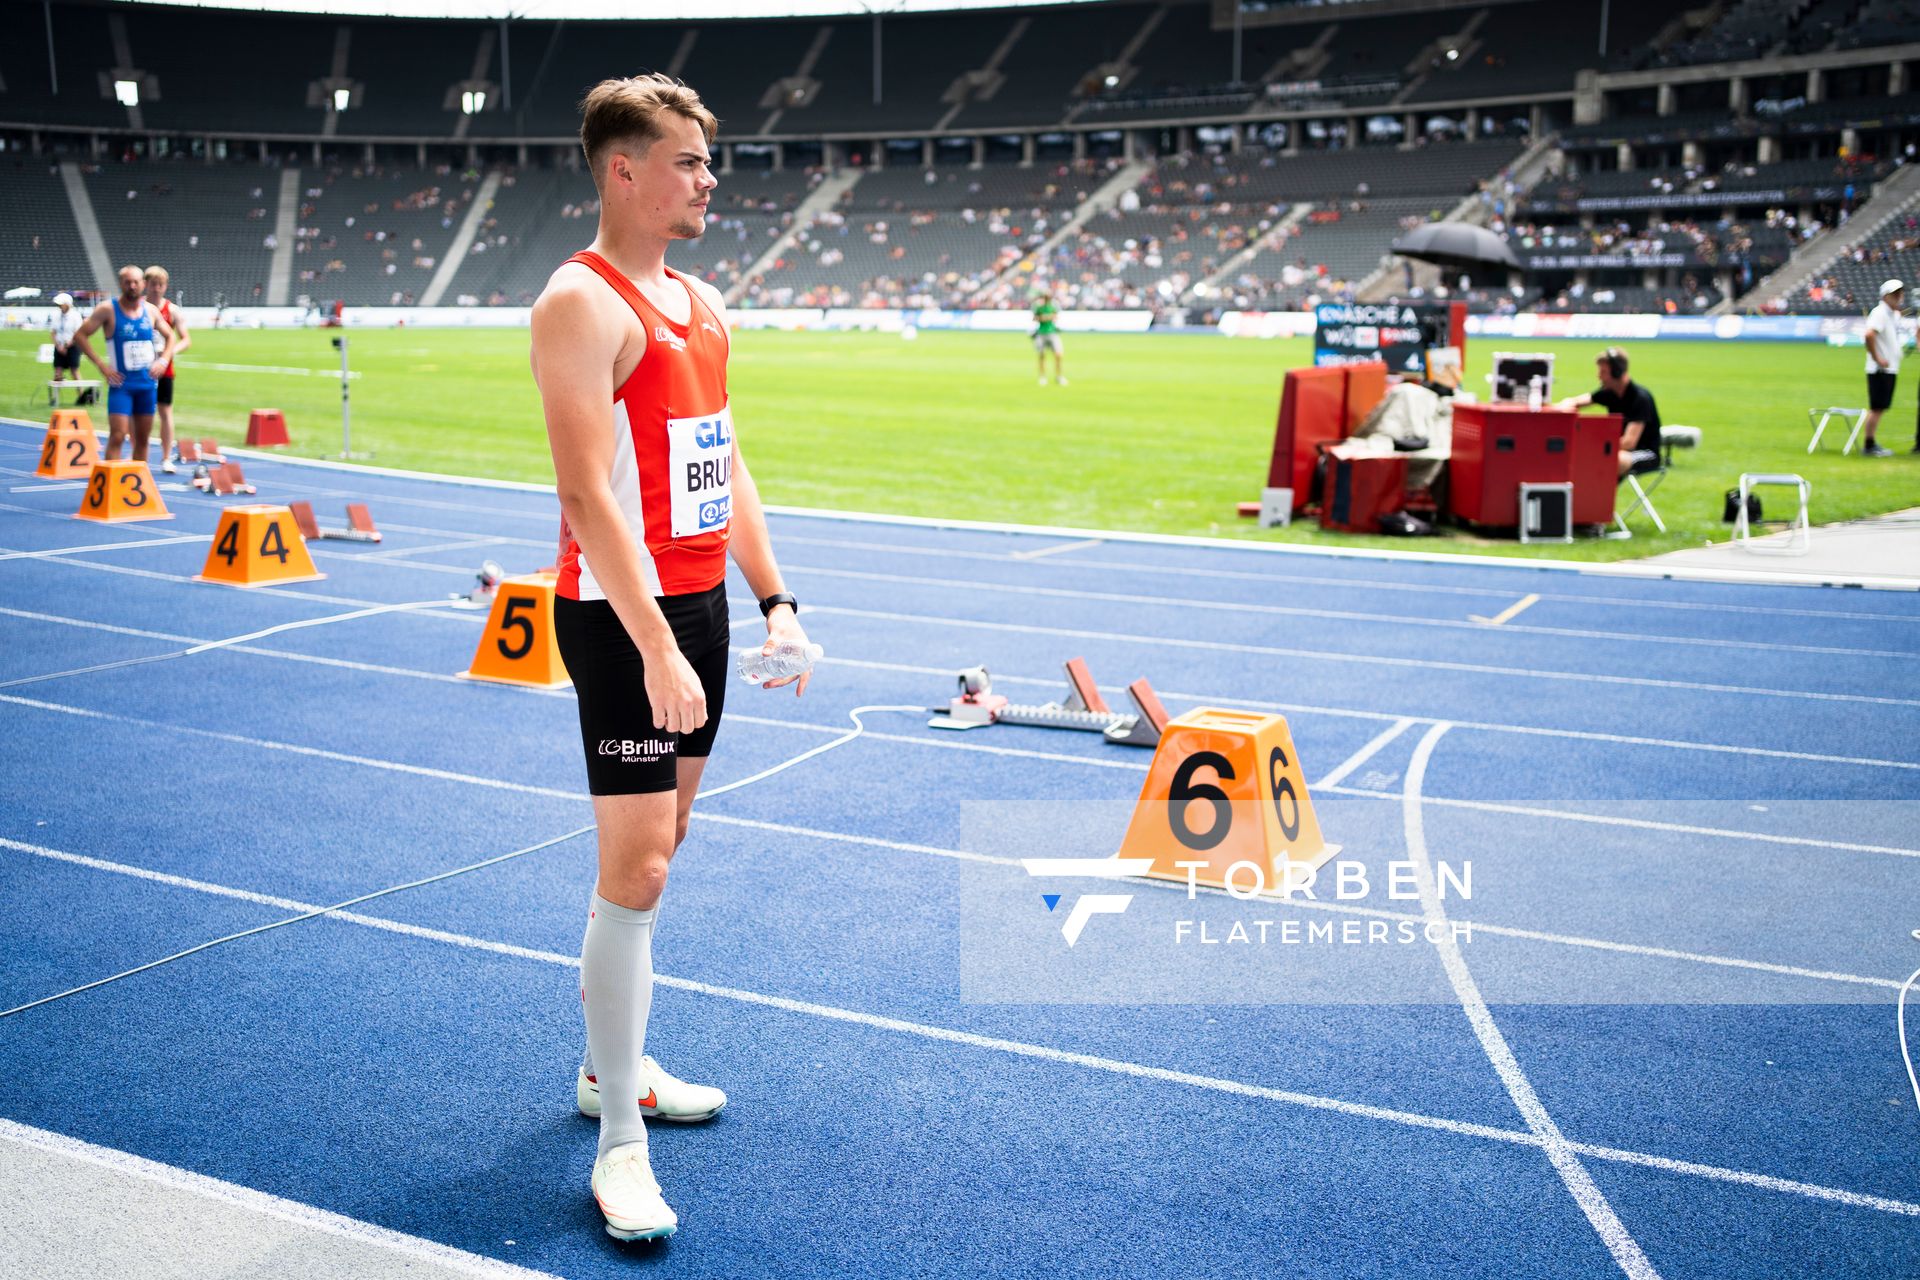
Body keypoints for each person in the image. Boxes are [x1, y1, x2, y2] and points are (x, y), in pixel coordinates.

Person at [529, 74, 812, 1244]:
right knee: (638, 866)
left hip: (701, 611)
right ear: (624, 170)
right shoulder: (579, 302)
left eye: (707, 158)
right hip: (619, 618)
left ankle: (613, 1065)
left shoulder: (702, 301)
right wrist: (652, 644)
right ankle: (618, 1143)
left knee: (665, 844)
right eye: (688, 160)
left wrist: (776, 600)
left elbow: (721, 461)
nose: (709, 179)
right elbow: (585, 494)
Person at [71, 265, 174, 464]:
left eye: (136, 282)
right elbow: (80, 335)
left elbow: (170, 336)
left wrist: (163, 360)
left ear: (143, 284)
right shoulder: (108, 310)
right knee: (118, 435)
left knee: (143, 440)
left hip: (146, 385)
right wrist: (102, 366)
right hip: (121, 386)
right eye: (128, 282)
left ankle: (136, 479)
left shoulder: (151, 311)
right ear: (121, 284)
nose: (132, 286)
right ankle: (111, 479)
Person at [1557, 346, 1661, 478]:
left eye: (1603, 371)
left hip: (1646, 453)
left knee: (1610, 460)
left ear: (1617, 372)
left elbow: (1629, 443)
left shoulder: (1640, 399)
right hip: (1618, 450)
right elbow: (1575, 401)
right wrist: (1559, 407)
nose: (1599, 376)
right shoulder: (1610, 393)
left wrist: (1594, 448)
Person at [145, 266, 191, 473]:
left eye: (160, 285)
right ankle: (139, 455)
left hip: (164, 368)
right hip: (142, 366)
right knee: (140, 412)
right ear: (146, 285)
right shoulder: (139, 307)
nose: (156, 288)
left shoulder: (172, 310)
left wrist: (169, 353)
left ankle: (166, 458)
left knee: (165, 412)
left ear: (165, 286)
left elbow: (186, 339)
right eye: (153, 284)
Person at [1861, 278, 1905, 457]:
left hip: (1889, 368)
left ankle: (1870, 443)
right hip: (1880, 369)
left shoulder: (1892, 314)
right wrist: (1877, 358)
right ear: (1885, 296)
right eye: (1895, 294)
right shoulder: (1880, 312)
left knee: (1880, 407)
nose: (1899, 297)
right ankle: (1869, 444)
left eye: (1899, 293)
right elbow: (1869, 335)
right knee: (1877, 407)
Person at [48, 293, 84, 397]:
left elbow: (78, 333)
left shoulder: (75, 316)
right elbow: (53, 333)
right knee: (58, 371)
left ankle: (81, 396)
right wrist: (58, 346)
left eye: (61, 304)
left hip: (73, 347)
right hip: (59, 346)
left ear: (67, 304)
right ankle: (55, 397)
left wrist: (67, 345)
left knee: (74, 370)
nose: (59, 306)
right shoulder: (56, 315)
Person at [1032, 290, 1066, 385]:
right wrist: (1044, 318)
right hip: (1041, 333)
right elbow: (1035, 318)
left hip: (1052, 333)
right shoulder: (1038, 306)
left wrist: (1048, 317)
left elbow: (1055, 316)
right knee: (1042, 355)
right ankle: (1042, 377)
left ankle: (1059, 376)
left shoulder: (1053, 306)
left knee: (1058, 355)